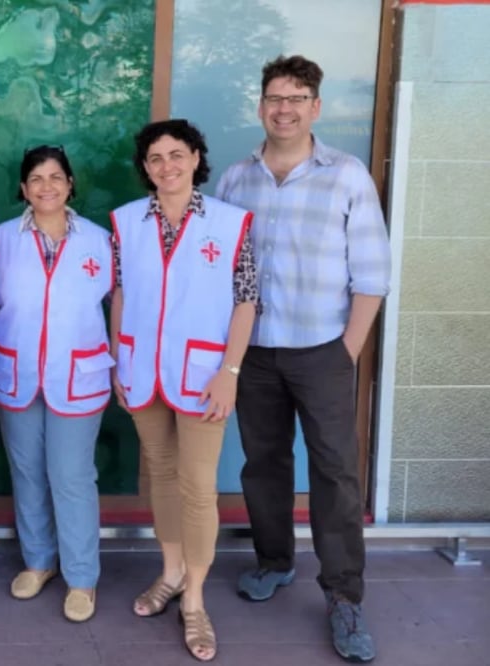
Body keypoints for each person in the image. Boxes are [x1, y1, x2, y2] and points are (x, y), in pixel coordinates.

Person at [215, 55, 390, 664]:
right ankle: (273, 561)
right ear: (260, 106)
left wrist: (347, 350)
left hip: (323, 350)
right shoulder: (236, 180)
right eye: (273, 97)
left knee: (335, 474)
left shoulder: (346, 176)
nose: (283, 108)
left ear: (315, 106)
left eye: (296, 98)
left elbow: (372, 274)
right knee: (262, 465)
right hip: (256, 352)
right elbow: (219, 272)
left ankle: (343, 595)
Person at [110, 119, 259, 662]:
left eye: (177, 154)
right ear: (145, 168)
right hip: (142, 373)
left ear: (197, 157)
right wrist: (118, 360)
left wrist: (231, 372)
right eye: (155, 158)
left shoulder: (230, 222)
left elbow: (246, 301)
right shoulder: (127, 221)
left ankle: (195, 599)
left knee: (198, 486)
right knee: (163, 477)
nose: (166, 166)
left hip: (205, 377)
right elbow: (121, 293)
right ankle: (170, 572)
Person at [0, 145, 112, 622]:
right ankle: (39, 562)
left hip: (78, 375)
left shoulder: (99, 242)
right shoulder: (0, 241)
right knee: (27, 473)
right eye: (36, 178)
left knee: (73, 476)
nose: (46, 186)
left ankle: (82, 576)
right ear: (23, 188)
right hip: (14, 372)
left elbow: (116, 306)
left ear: (70, 184)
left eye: (56, 177)